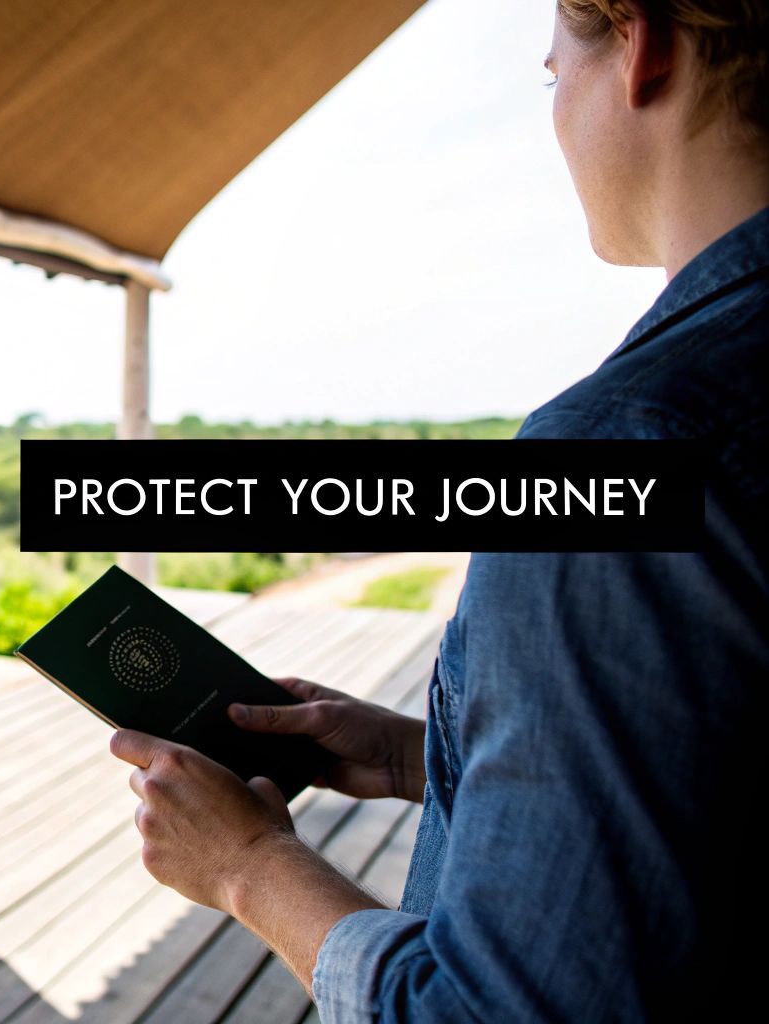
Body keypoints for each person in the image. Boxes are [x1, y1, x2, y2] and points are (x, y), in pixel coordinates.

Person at [109, 1, 768, 1019]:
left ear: (639, 48)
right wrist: (428, 753)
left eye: (554, 76)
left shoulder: (625, 448)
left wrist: (247, 866)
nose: (553, 115)